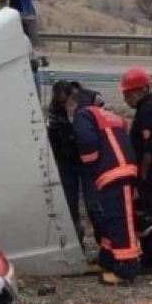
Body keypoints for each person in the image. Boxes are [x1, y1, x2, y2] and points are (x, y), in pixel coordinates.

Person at [65, 90, 141, 285]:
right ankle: (107, 261)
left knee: (122, 222)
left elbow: (87, 142)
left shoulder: (83, 114)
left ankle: (127, 269)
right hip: (120, 169)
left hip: (114, 171)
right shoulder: (107, 115)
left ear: (73, 104)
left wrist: (90, 166)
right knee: (111, 219)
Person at [46, 80, 104, 264]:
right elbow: (52, 135)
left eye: (66, 103)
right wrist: (52, 162)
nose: (64, 107)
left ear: (73, 95)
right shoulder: (55, 107)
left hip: (90, 162)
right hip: (67, 162)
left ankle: (104, 245)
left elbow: (104, 129)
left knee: (94, 204)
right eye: (60, 103)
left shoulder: (93, 99)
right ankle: (76, 245)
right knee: (69, 206)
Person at [120, 67, 152, 275]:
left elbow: (149, 147)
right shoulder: (148, 107)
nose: (126, 100)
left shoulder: (148, 109)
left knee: (150, 215)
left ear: (139, 91)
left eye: (127, 95)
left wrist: (142, 175)